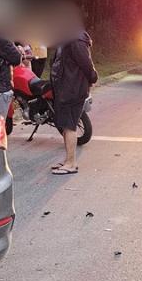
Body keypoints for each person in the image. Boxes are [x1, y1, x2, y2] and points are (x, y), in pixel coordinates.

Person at [50, 30, 98, 175]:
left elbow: (86, 64)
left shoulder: (75, 40)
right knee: (65, 125)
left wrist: (93, 78)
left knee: (69, 126)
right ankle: (67, 160)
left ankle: (71, 163)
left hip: (72, 88)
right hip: (65, 87)